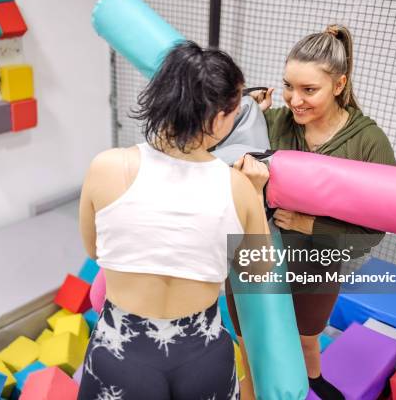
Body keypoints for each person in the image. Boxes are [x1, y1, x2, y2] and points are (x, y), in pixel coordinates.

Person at [78, 41, 270, 400]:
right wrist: (255, 196)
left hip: (120, 351)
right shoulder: (238, 188)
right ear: (217, 118)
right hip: (202, 354)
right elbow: (258, 272)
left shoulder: (105, 167)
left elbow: (94, 250)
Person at [228, 25, 396, 400]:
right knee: (249, 340)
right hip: (254, 257)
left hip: (315, 260)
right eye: (289, 86)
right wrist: (246, 119)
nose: (294, 100)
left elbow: (375, 232)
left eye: (309, 90)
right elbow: (224, 165)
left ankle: (314, 380)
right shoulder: (272, 123)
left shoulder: (368, 142)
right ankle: (251, 388)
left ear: (339, 85)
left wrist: (311, 224)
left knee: (306, 342)